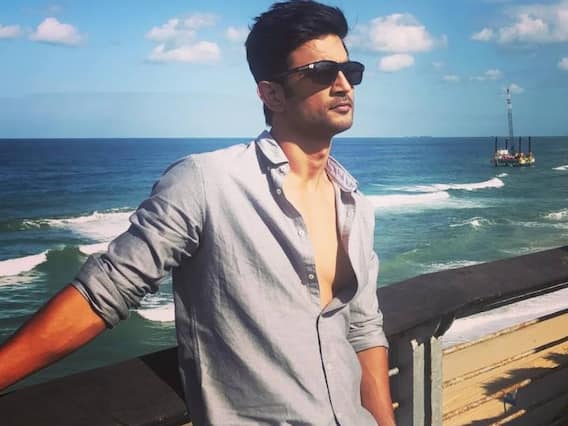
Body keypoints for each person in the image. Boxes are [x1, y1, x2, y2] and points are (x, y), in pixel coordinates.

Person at [0, 1, 395, 424]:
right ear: (271, 94)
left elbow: (362, 329)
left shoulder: (354, 204)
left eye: (349, 71)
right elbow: (105, 292)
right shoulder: (207, 182)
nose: (343, 85)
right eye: (321, 72)